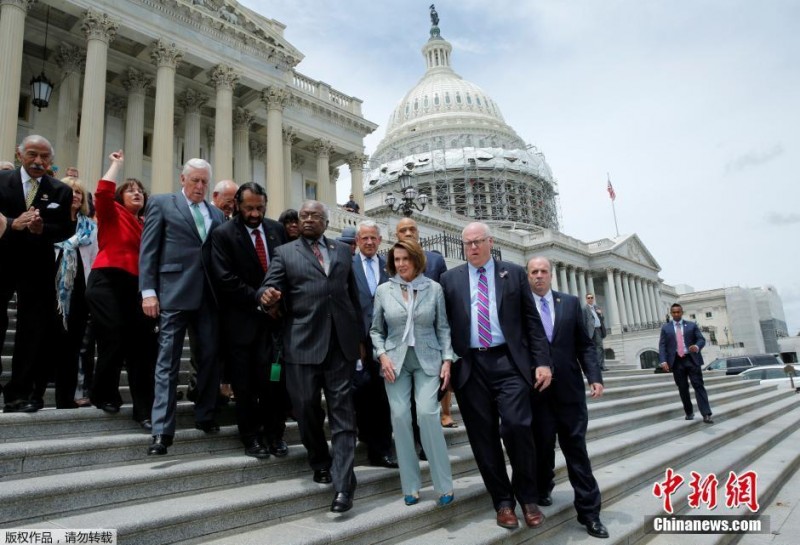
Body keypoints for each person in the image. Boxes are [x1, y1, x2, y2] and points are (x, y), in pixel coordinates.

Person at [439, 221, 552, 530]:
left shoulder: (514, 273)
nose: (472, 247)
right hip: (470, 366)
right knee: (482, 438)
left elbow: (532, 322)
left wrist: (542, 362)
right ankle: (502, 502)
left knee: (517, 427)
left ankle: (528, 497)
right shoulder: (450, 280)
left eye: (478, 242)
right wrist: (445, 361)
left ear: (490, 242)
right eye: (467, 243)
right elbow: (444, 326)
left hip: (508, 362)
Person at [258, 200, 362, 514]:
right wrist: (267, 296)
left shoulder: (343, 252)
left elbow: (352, 297)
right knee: (305, 409)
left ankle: (344, 486)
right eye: (303, 215)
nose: (308, 219)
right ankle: (319, 460)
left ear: (326, 221)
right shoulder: (285, 253)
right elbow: (269, 286)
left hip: (339, 346)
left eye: (315, 215)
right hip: (302, 344)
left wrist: (359, 339)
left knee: (343, 416)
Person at [140, 158, 224, 455]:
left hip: (209, 298)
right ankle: (162, 430)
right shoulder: (162, 204)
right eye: (195, 180)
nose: (200, 186)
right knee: (167, 363)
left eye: (204, 182)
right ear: (182, 179)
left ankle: (205, 415)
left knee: (210, 358)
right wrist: (148, 291)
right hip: (173, 294)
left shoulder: (217, 214)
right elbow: (149, 249)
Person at [527, 257, 609, 539]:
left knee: (576, 451)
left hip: (570, 392)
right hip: (536, 392)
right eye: (534, 272)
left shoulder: (571, 303)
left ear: (551, 275)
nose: (539, 276)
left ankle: (590, 513)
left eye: (543, 272)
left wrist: (594, 377)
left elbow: (585, 345)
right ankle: (543, 486)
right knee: (542, 445)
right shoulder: (520, 305)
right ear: (528, 276)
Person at [371, 239, 454, 506]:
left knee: (428, 413)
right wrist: (381, 355)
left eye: (406, 259)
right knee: (400, 416)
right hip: (394, 361)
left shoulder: (434, 288)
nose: (401, 264)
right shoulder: (384, 290)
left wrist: (448, 359)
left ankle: (444, 485)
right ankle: (411, 485)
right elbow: (375, 330)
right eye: (397, 259)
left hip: (428, 358)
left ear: (417, 260)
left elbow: (443, 327)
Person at [210, 182, 288, 458]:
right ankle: (250, 437)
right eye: (248, 208)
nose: (254, 214)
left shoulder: (277, 231)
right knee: (244, 386)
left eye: (259, 208)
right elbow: (224, 278)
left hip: (274, 323)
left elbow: (287, 269)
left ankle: (275, 434)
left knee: (274, 384)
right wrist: (259, 296)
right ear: (237, 206)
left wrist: (278, 299)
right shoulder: (223, 235)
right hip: (240, 325)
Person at [0, 135, 74, 413]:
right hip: (3, 261)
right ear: (20, 155)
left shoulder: (59, 191)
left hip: (38, 265)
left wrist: (43, 229)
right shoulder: (2, 180)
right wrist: (11, 223)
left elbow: (67, 229)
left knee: (31, 331)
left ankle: (19, 393)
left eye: (45, 157)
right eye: (33, 155)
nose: (39, 161)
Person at [86, 151, 157, 429]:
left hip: (137, 287)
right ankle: (104, 394)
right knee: (113, 336)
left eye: (140, 191)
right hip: (107, 281)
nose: (137, 193)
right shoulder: (111, 212)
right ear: (121, 197)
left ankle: (144, 411)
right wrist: (116, 164)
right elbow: (102, 192)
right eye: (130, 190)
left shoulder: (146, 225)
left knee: (142, 349)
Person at [394, 218, 454, 430]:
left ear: (418, 232)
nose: (408, 233)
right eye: (403, 230)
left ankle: (445, 413)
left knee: (438, 378)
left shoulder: (435, 261)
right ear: (397, 236)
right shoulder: (394, 261)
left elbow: (445, 294)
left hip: (431, 333)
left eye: (412, 229)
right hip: (403, 338)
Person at [47, 176, 97, 409]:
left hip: (79, 293)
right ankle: (35, 395)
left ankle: (66, 398)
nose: (75, 195)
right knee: (46, 343)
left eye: (79, 192)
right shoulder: (49, 221)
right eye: (70, 190)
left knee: (73, 346)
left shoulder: (89, 228)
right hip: (50, 290)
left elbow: (94, 259)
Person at [351, 220, 397, 469]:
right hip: (357, 343)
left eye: (373, 238)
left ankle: (382, 450)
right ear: (357, 241)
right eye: (364, 238)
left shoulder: (389, 268)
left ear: (379, 241)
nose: (369, 242)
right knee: (360, 392)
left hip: (385, 343)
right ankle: (364, 437)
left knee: (382, 395)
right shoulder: (348, 266)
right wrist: (355, 339)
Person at [659, 303, 713, 424]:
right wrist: (663, 360)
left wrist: (696, 346)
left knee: (698, 385)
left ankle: (706, 414)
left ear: (682, 312)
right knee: (683, 388)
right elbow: (662, 345)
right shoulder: (666, 328)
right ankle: (689, 412)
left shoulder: (691, 325)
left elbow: (701, 339)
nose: (676, 314)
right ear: (671, 313)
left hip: (692, 359)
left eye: (678, 312)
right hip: (676, 361)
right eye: (674, 312)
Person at [583, 294, 608, 371]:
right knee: (595, 348)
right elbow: (584, 321)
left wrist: (600, 313)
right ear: (586, 299)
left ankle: (601, 365)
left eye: (591, 298)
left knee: (599, 347)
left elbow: (602, 319)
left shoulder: (596, 307)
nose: (590, 299)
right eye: (588, 298)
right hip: (591, 331)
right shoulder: (584, 309)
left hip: (598, 330)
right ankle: (597, 365)